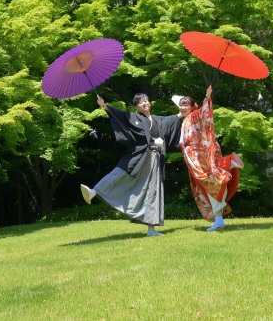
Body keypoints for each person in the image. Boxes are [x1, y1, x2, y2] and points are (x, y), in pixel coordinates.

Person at [80, 93, 182, 236]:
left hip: (155, 158)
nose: (145, 103)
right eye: (141, 102)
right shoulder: (135, 118)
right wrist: (104, 106)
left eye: (146, 100)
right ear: (136, 107)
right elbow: (120, 115)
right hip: (140, 156)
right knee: (120, 171)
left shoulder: (157, 120)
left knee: (153, 190)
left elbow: (170, 121)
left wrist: (181, 114)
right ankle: (94, 192)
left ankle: (151, 229)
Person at [178, 85, 242, 231]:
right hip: (192, 158)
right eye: (181, 104)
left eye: (185, 104)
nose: (182, 107)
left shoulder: (194, 115)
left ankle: (227, 164)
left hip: (198, 155)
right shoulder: (186, 119)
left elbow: (205, 113)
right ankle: (218, 219)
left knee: (211, 181)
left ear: (192, 106)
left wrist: (207, 97)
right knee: (205, 186)